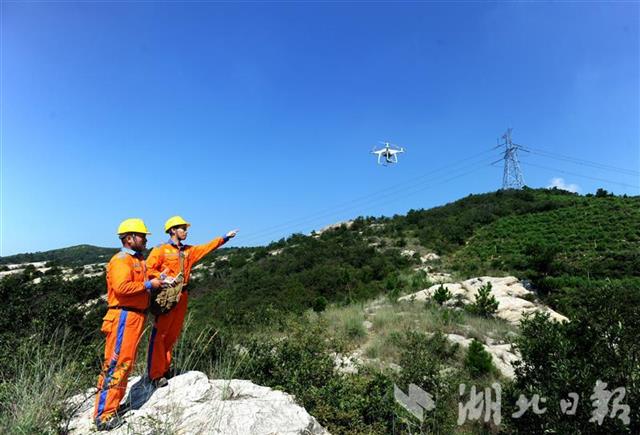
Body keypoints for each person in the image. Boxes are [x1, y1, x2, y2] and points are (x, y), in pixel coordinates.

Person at [146, 215, 237, 386]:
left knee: (172, 334)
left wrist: (225, 238)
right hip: (166, 296)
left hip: (182, 296)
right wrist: (162, 278)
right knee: (160, 335)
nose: (186, 231)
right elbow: (148, 269)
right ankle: (155, 375)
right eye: (183, 228)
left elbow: (206, 248)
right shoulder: (160, 250)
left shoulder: (188, 251)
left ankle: (165, 369)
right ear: (173, 230)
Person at [93, 218, 164, 431]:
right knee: (117, 364)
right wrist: (149, 284)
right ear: (130, 238)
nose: (145, 240)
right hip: (123, 317)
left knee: (126, 363)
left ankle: (112, 407)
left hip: (134, 317)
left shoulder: (139, 260)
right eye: (142, 236)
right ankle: (103, 415)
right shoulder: (121, 260)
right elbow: (122, 287)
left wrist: (156, 282)